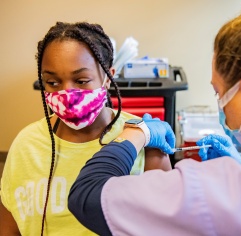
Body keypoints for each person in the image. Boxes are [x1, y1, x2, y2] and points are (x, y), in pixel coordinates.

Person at [68, 0, 241, 235]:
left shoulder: (217, 192)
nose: (219, 103)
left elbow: (87, 195)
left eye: (218, 92)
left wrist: (137, 133)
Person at [0, 22, 174, 236]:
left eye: (81, 80)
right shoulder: (26, 145)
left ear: (108, 78)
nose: (67, 93)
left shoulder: (145, 144)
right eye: (52, 82)